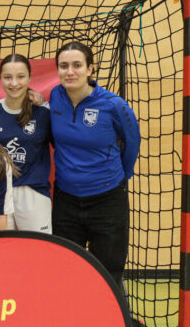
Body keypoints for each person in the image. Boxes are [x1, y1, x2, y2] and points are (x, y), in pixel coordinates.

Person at [50, 41, 140, 286]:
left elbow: (132, 144)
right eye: (64, 66)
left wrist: (115, 178)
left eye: (77, 65)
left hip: (107, 202)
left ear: (90, 69)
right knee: (67, 272)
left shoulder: (114, 105)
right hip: (66, 201)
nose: (70, 71)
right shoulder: (55, 97)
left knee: (108, 275)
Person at [0, 53, 52, 233]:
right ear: (0, 79)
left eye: (20, 77)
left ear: (30, 78)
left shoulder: (44, 113)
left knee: (37, 248)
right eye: (8, 77)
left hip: (33, 192)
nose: (14, 83)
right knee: (1, 248)